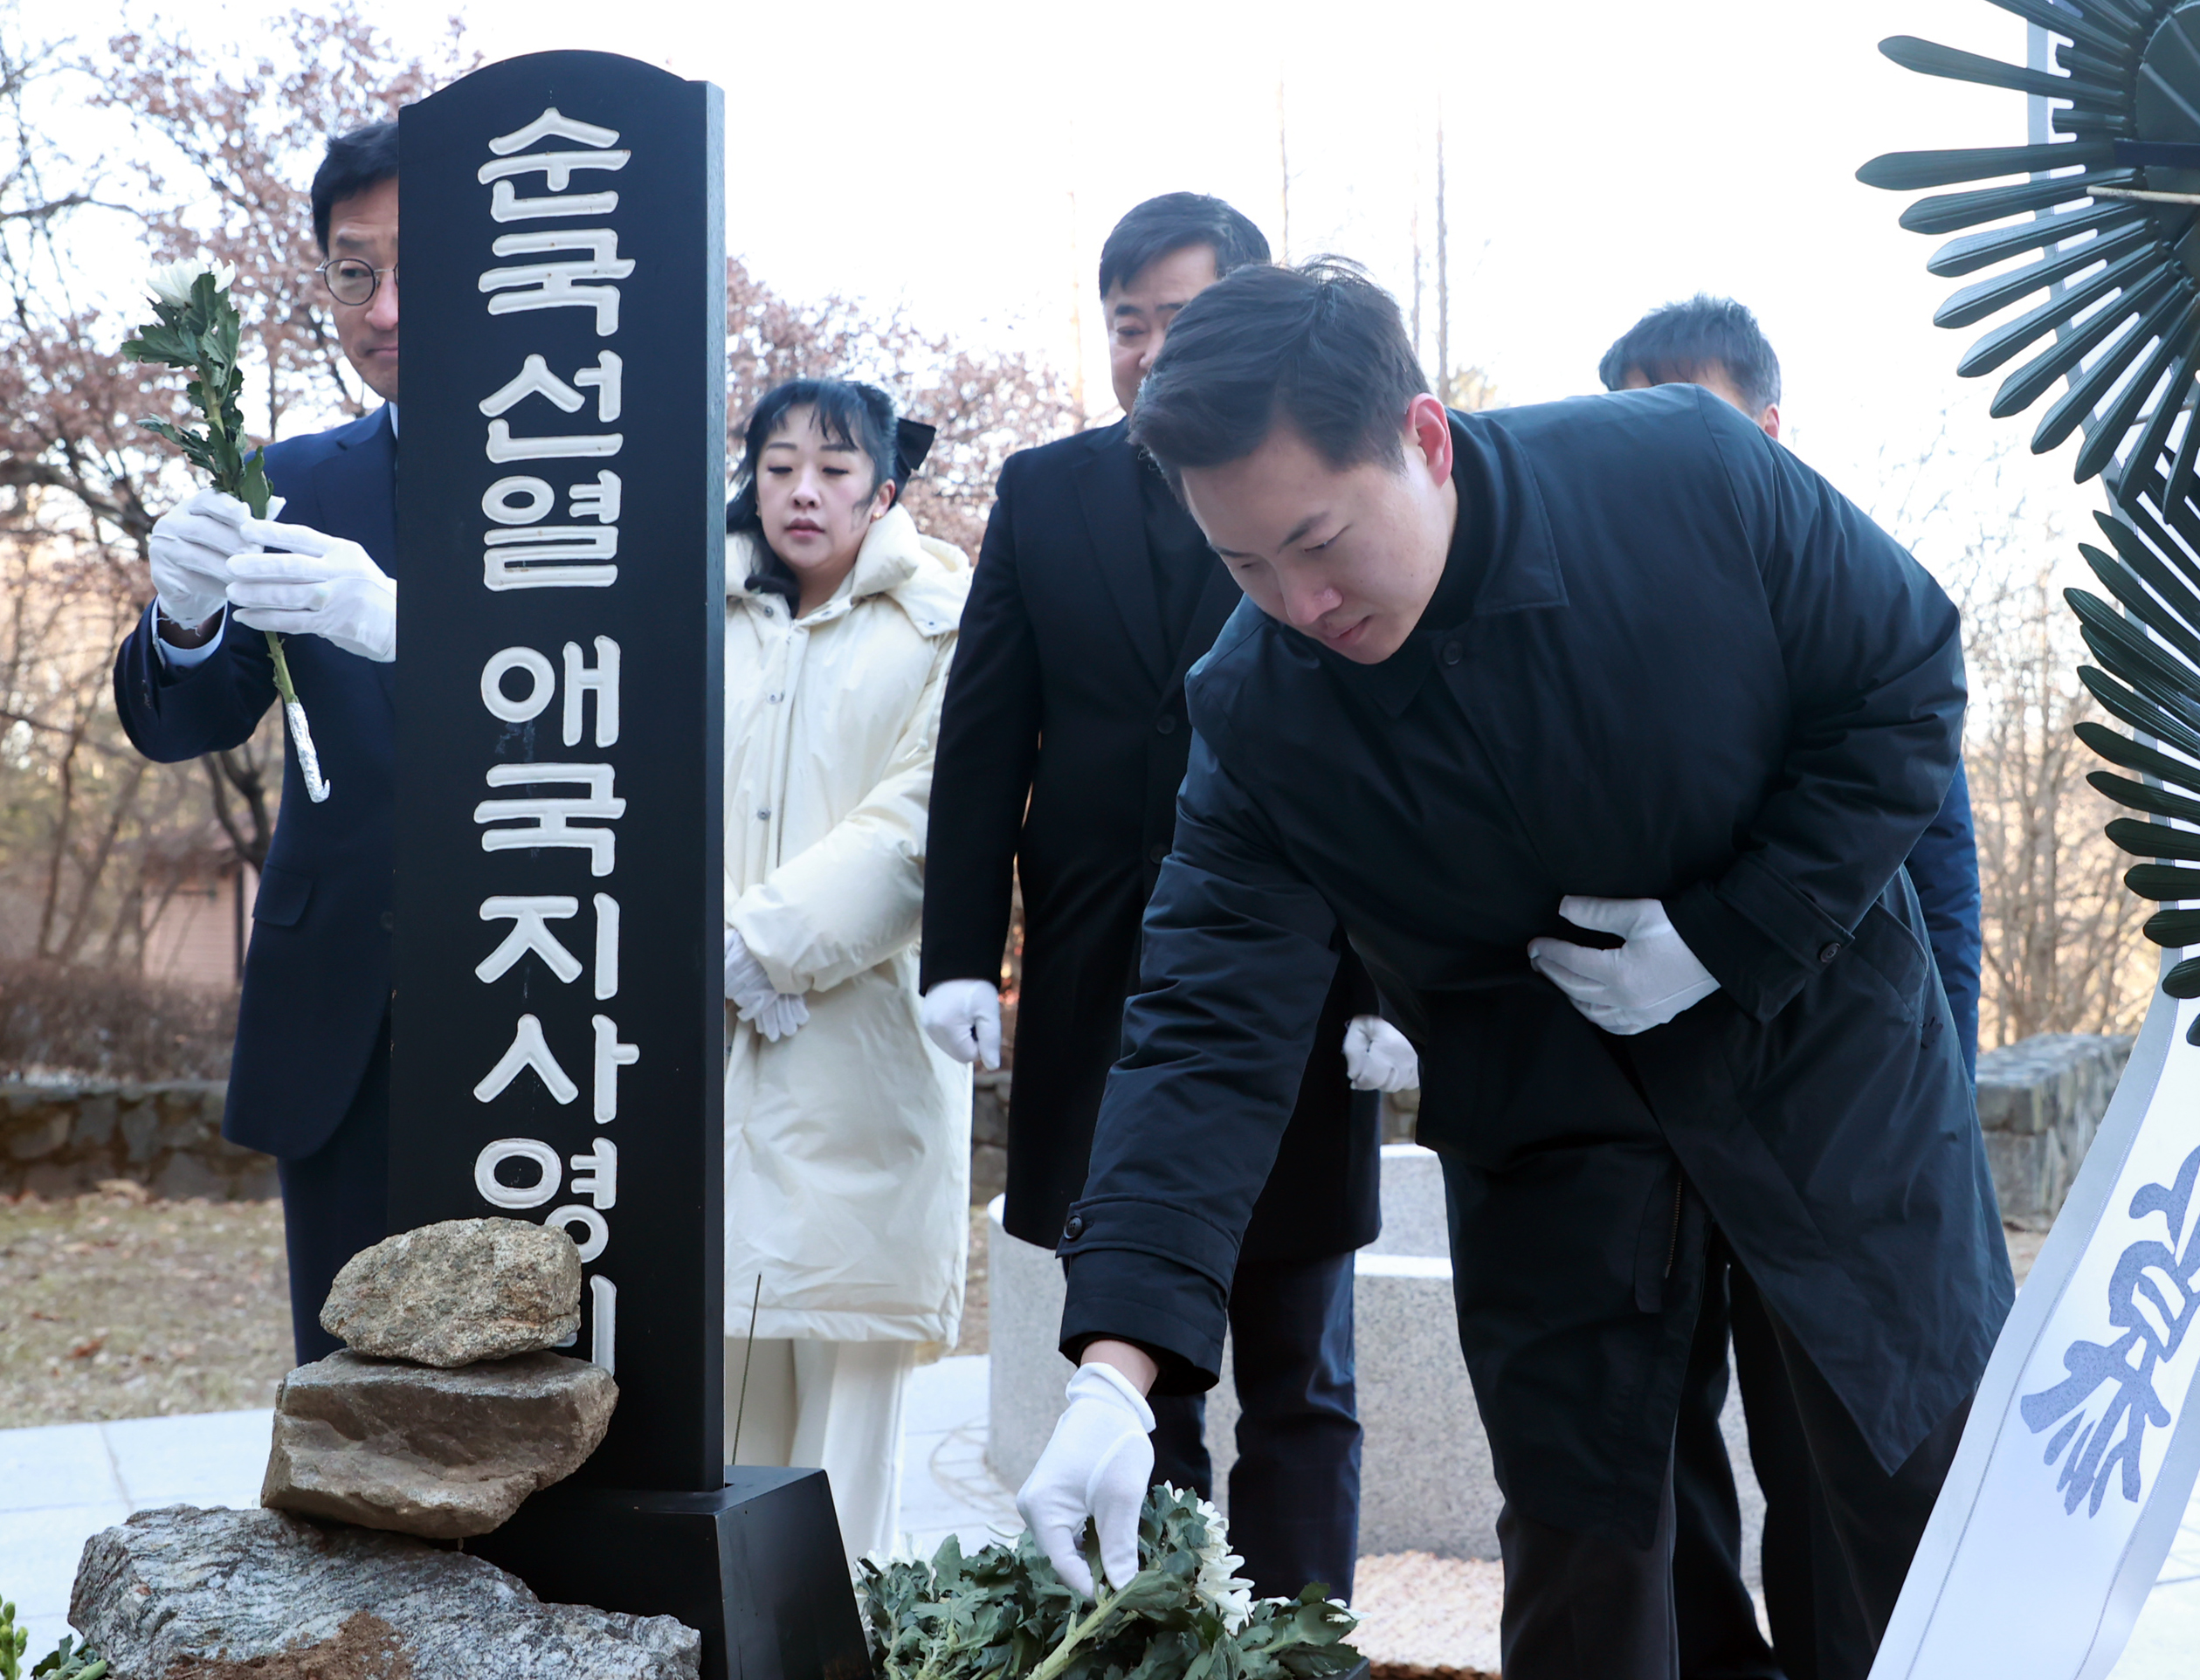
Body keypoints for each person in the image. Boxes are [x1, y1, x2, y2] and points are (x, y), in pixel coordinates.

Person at [1013, 261, 2013, 1680]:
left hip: (1822, 1073)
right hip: (1549, 1132)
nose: (1297, 603)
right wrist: (1116, 1364)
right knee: (1600, 1571)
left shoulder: (1690, 477)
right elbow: (1203, 1025)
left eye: (1317, 542)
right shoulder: (1258, 711)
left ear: (1423, 437)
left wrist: (1734, 930)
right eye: (1241, 566)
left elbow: (1904, 678)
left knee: (1904, 1521)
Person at [921, 193, 1410, 1602]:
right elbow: (983, 736)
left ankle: (1303, 1635)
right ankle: (1159, 1637)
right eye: (1126, 323)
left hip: (1307, 1006)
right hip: (1100, 997)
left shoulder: (1325, 494)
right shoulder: (1046, 487)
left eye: (1180, 319)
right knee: (1135, 1371)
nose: (1146, 351)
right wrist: (960, 950)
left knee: (1303, 1378)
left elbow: (1392, 757)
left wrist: (1388, 988)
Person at [1598, 296, 1985, 1680]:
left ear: (1765, 430)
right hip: (1644, 1126)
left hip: (1836, 1125)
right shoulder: (1602, 622)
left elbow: (1934, 878)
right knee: (1659, 1448)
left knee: (1837, 1451)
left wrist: (1928, 1099)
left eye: (1689, 421)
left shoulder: (1851, 593)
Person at [113, 120, 404, 1366]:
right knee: (349, 1406)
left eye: (419, 266)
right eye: (354, 272)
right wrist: (181, 619)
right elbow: (188, 718)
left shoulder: (595, 481)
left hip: (543, 995)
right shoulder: (294, 478)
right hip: (341, 1007)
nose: (385, 306)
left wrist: (417, 628)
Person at [721, 377, 972, 1563]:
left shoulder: (943, 620)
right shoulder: (690, 609)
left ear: (886, 488)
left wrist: (759, 941)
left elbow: (929, 819)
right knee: (713, 1429)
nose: (802, 491)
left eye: (832, 468)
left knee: (840, 1457)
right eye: (778, 466)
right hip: (701, 1062)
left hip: (861, 1068)